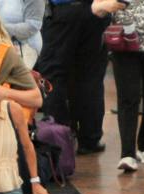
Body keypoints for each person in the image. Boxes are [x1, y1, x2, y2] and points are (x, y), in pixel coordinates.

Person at [93, 0, 144, 174]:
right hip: (123, 44)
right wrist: (108, 5)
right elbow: (96, 8)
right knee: (127, 97)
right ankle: (127, 153)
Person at [34, 0, 106, 155]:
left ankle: (58, 133)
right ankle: (89, 138)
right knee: (90, 77)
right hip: (93, 12)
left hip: (63, 12)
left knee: (53, 75)